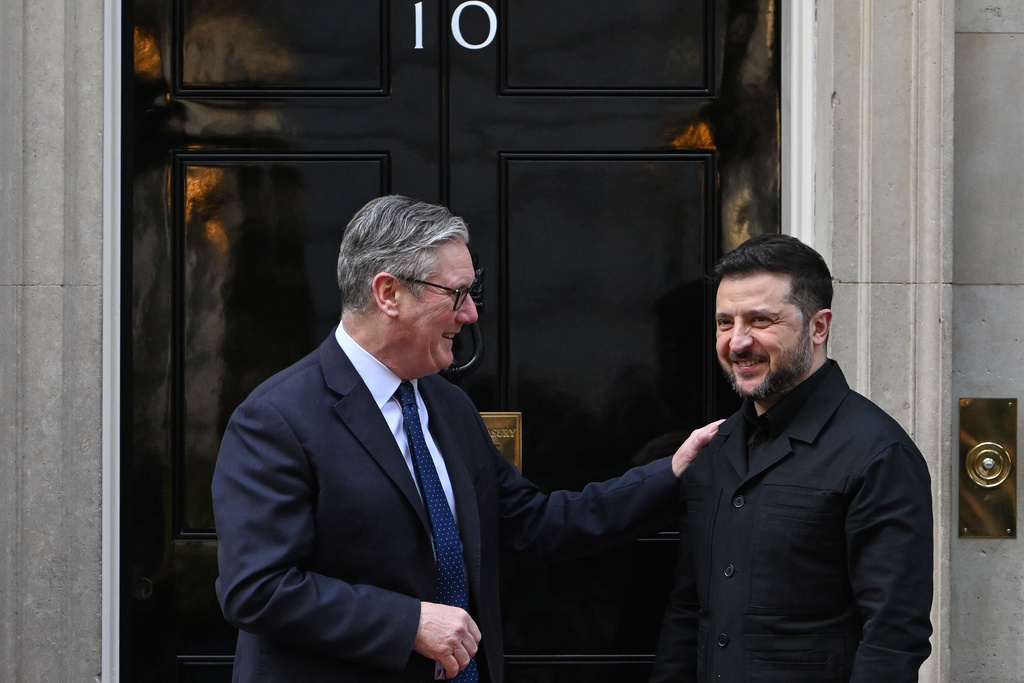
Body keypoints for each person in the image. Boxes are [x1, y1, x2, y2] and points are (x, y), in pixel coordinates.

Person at [212, 194, 721, 683]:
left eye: (470, 295)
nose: (471, 314)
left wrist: (671, 473)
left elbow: (534, 523)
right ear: (388, 293)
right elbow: (258, 588)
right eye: (455, 294)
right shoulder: (277, 419)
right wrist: (408, 623)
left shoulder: (448, 405)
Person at [650, 233, 933, 683]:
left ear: (818, 327)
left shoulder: (879, 453)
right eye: (725, 323)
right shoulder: (715, 449)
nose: (737, 342)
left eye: (760, 320)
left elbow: (894, 636)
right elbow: (689, 609)